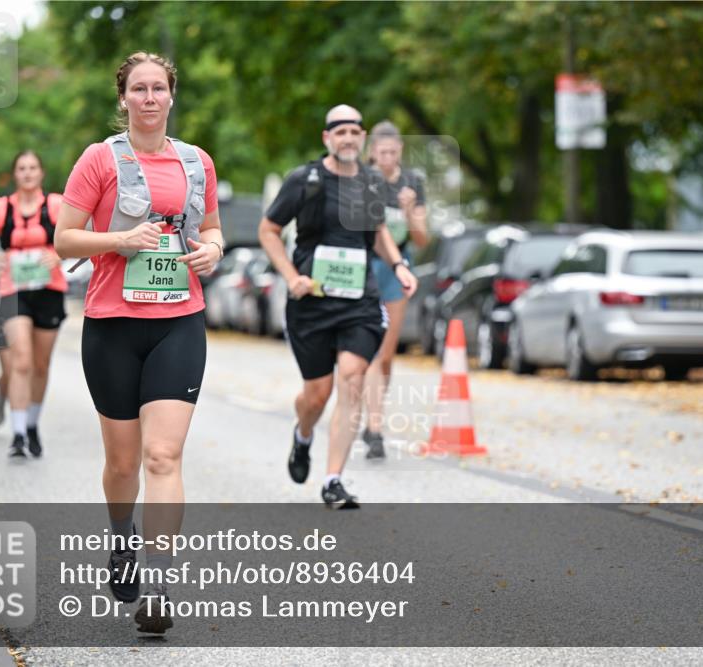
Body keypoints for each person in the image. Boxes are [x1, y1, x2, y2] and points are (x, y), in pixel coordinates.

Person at [54, 51, 223, 634]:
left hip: (180, 319)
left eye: (159, 88)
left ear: (172, 96)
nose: (149, 98)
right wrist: (120, 239)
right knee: (123, 463)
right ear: (123, 97)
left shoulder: (198, 163)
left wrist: (214, 250)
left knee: (162, 455)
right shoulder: (99, 160)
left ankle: (159, 579)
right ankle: (122, 536)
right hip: (112, 325)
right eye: (138, 89)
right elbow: (63, 239)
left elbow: (211, 229)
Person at [258, 104, 418, 509]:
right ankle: (303, 436)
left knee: (351, 379)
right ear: (327, 138)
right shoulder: (305, 179)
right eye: (339, 131)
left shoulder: (370, 183)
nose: (347, 137)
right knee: (316, 395)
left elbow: (379, 231)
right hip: (311, 300)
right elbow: (269, 229)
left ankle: (333, 480)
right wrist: (290, 275)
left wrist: (398, 264)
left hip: (359, 301)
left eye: (354, 131)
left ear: (362, 137)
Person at [0, 151, 67, 458]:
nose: (28, 173)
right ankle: (17, 434)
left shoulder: (56, 204)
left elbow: (73, 237)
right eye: (21, 168)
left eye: (33, 168)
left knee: (41, 365)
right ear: (15, 174)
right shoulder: (1, 207)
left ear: (41, 173)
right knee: (22, 360)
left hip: (49, 288)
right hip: (13, 289)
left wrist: (59, 254)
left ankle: (31, 425)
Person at [361, 121, 428, 459]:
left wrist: (408, 212)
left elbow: (421, 238)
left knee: (386, 354)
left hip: (397, 268)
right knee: (372, 351)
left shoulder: (412, 183)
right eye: (381, 152)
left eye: (392, 151)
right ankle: (374, 428)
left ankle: (373, 415)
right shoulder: (362, 179)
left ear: (400, 149)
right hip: (365, 268)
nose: (387, 158)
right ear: (372, 151)